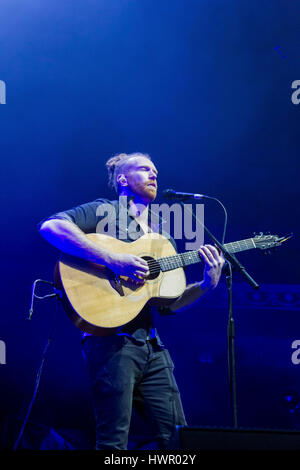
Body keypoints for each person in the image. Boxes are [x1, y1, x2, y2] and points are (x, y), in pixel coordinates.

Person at [39, 152, 225, 450]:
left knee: (179, 440)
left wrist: (205, 286)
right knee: (113, 444)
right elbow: (52, 227)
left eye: (155, 171)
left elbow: (168, 304)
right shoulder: (103, 211)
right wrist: (114, 259)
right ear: (123, 179)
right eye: (144, 169)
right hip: (110, 341)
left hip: (152, 347)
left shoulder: (163, 234)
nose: (154, 175)